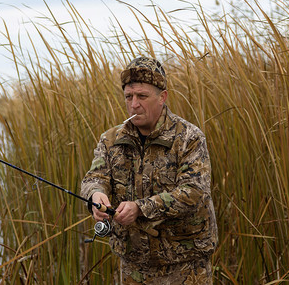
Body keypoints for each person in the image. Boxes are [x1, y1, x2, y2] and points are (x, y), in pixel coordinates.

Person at [80, 56, 218, 284]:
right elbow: (94, 177)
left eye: (142, 96)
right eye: (129, 97)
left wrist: (140, 208)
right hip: (133, 266)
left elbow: (194, 192)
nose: (134, 104)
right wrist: (95, 195)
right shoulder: (111, 140)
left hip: (185, 267)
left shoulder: (189, 138)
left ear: (162, 97)